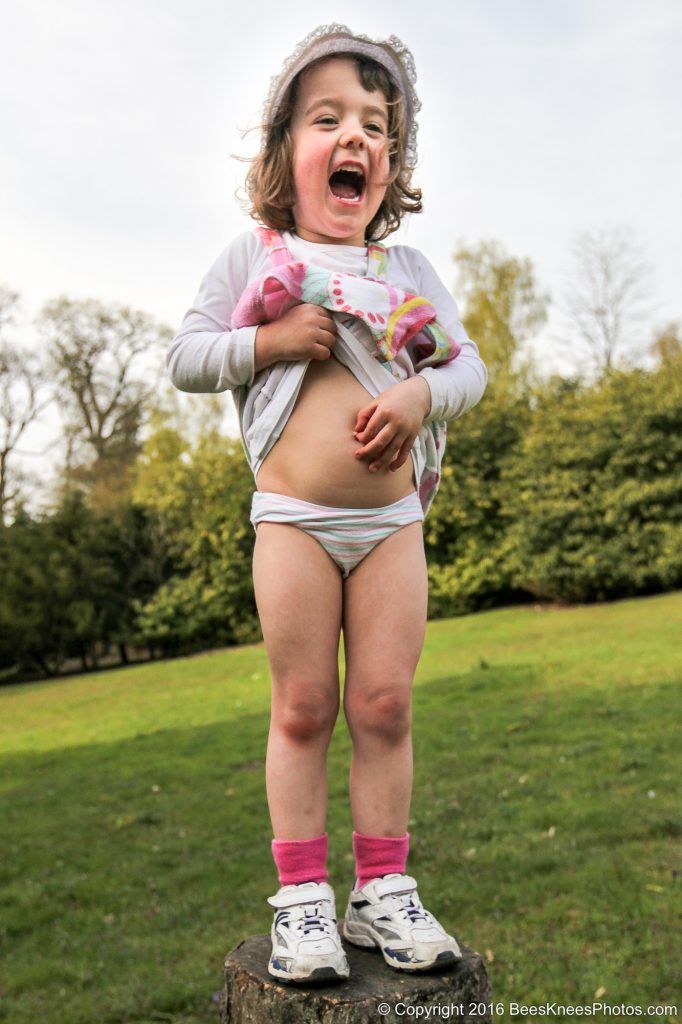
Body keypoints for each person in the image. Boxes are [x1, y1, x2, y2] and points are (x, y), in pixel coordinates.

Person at [167, 23, 488, 985]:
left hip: (391, 526)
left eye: (375, 125)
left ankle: (381, 888)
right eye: (328, 119)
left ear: (391, 164)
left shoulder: (408, 276)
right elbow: (185, 357)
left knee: (385, 705)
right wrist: (267, 342)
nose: (354, 137)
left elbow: (469, 365)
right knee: (303, 706)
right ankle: (302, 900)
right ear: (283, 151)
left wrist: (420, 392)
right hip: (295, 524)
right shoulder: (255, 259)